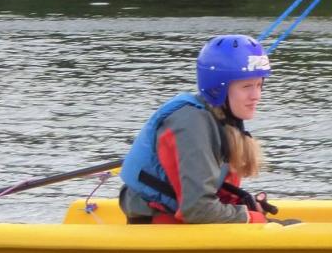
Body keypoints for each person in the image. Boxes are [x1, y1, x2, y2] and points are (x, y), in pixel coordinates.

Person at [119, 34, 284, 225]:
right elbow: (197, 209)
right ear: (218, 88)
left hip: (179, 219)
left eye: (259, 85)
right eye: (246, 86)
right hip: (158, 226)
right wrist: (248, 217)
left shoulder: (222, 118)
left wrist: (243, 205)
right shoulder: (191, 124)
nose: (256, 96)